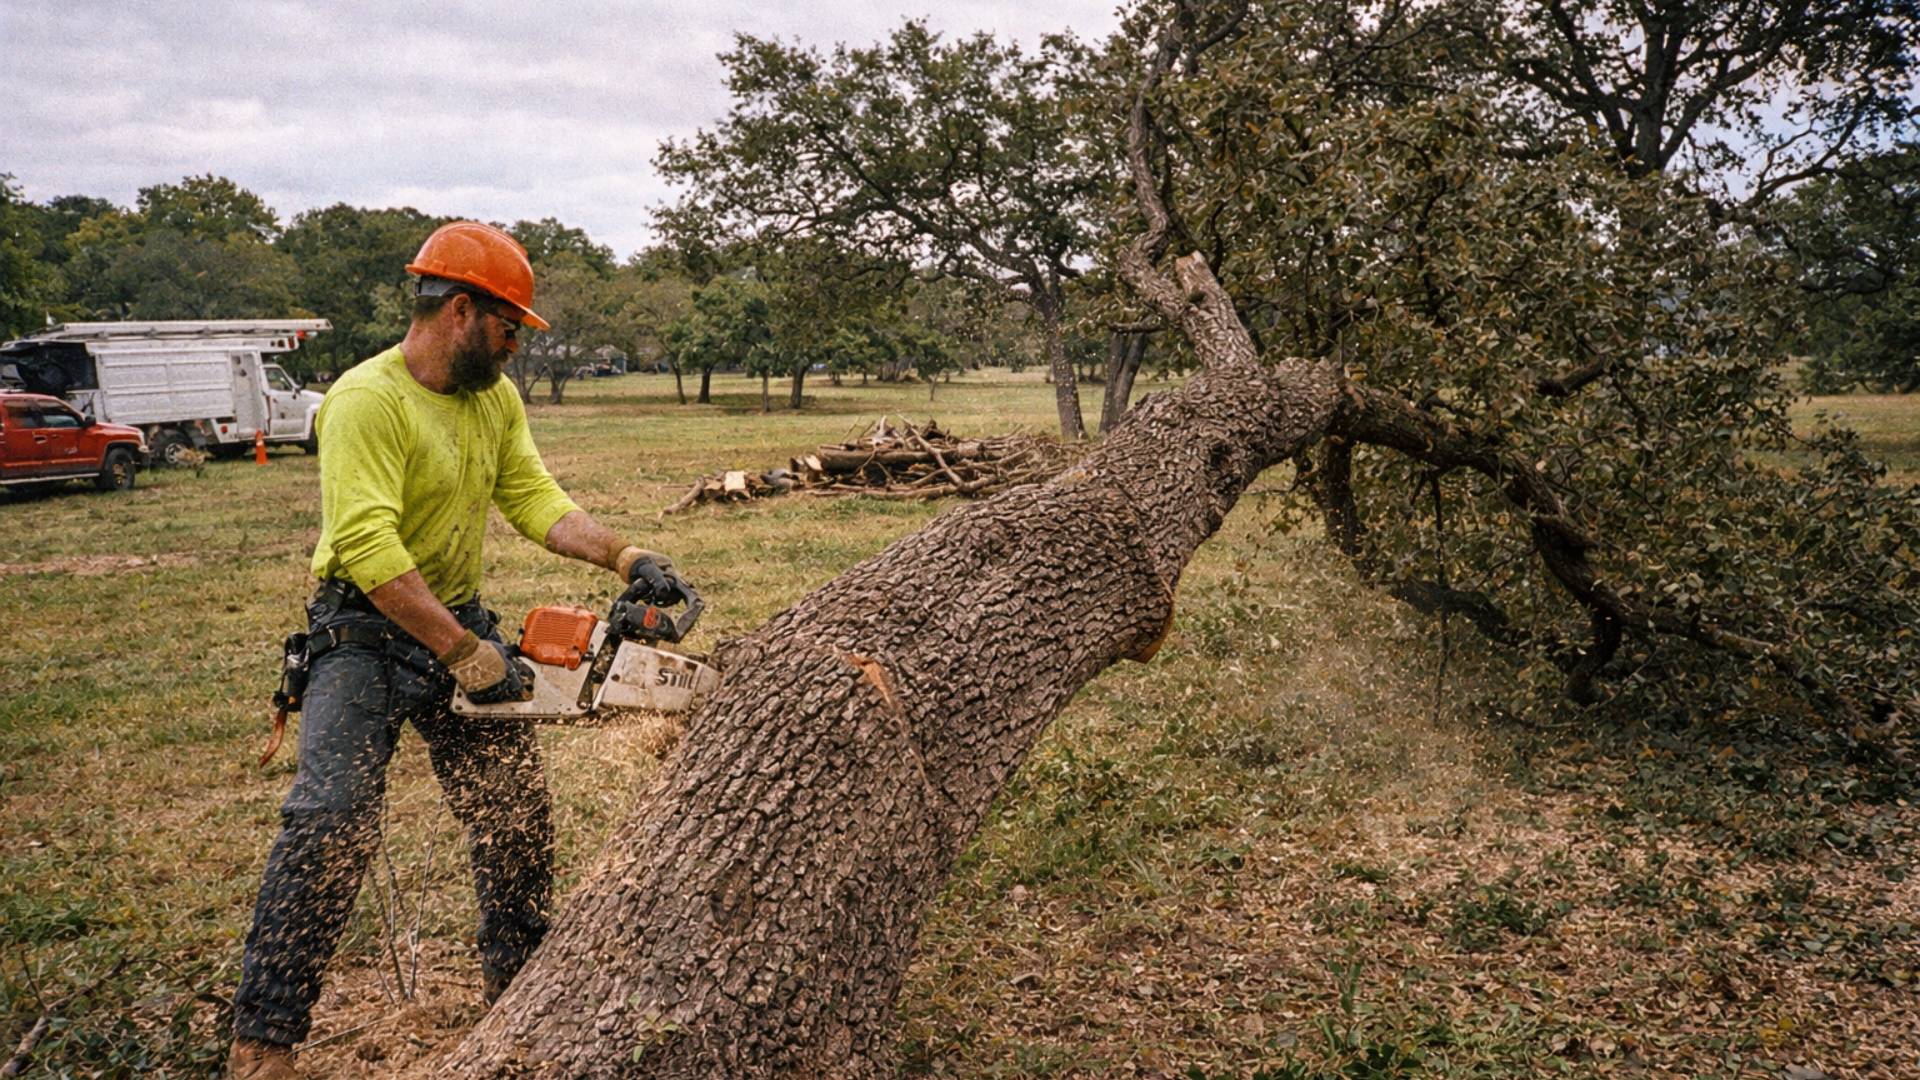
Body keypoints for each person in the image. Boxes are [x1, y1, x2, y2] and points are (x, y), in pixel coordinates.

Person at [227, 222, 678, 1079]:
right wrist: (465, 652)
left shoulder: (491, 400)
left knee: (516, 814)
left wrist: (624, 555)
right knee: (330, 819)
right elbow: (368, 547)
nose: (514, 348)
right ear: (462, 311)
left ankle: (519, 992)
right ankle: (264, 1042)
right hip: (362, 633)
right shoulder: (367, 401)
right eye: (508, 329)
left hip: (457, 618)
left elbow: (532, 496)